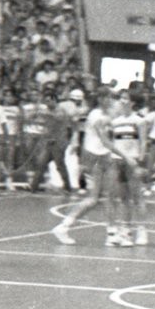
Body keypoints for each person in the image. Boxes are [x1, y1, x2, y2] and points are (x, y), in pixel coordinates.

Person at [51, 88, 119, 245]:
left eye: (111, 97)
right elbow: (104, 141)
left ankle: (112, 233)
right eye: (107, 97)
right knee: (93, 199)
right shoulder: (96, 116)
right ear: (101, 99)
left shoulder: (106, 115)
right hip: (94, 157)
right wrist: (126, 157)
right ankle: (63, 227)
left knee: (108, 196)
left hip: (103, 156)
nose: (110, 100)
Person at [103, 91, 149, 246]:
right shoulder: (115, 121)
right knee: (123, 198)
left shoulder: (139, 121)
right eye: (121, 98)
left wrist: (140, 162)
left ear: (132, 103)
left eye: (125, 99)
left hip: (133, 160)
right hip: (118, 161)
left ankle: (142, 230)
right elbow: (112, 143)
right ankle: (126, 231)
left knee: (137, 197)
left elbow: (143, 142)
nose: (122, 101)